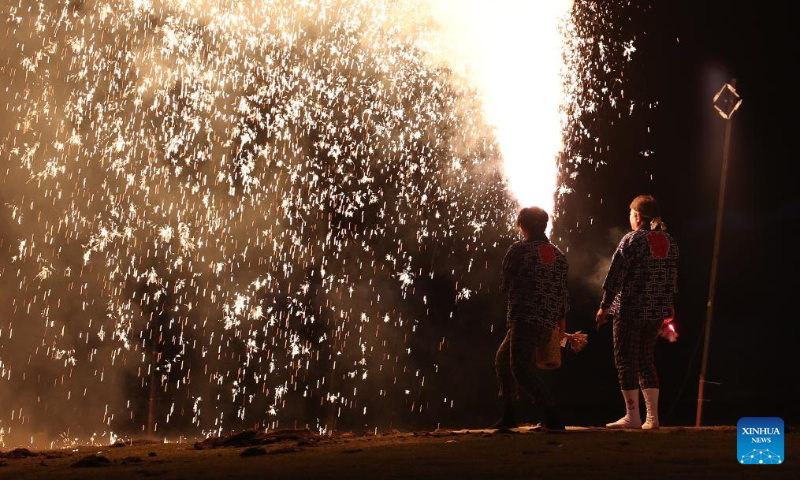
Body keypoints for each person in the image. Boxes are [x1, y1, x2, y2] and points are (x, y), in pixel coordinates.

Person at [596, 195, 679, 429]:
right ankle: (652, 418)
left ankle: (632, 416)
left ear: (638, 216)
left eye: (631, 215)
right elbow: (672, 276)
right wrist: (668, 301)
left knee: (625, 359)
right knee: (645, 359)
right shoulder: (669, 241)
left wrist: (604, 306)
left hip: (630, 310)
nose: (630, 219)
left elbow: (615, 275)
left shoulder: (632, 240)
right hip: (656, 311)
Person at [494, 206, 570, 430]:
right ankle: (509, 416)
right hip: (547, 319)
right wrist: (561, 326)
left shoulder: (518, 250)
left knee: (520, 368)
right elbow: (563, 293)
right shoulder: (558, 254)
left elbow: (504, 285)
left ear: (522, 225)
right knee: (502, 361)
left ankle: (553, 416)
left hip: (524, 317)